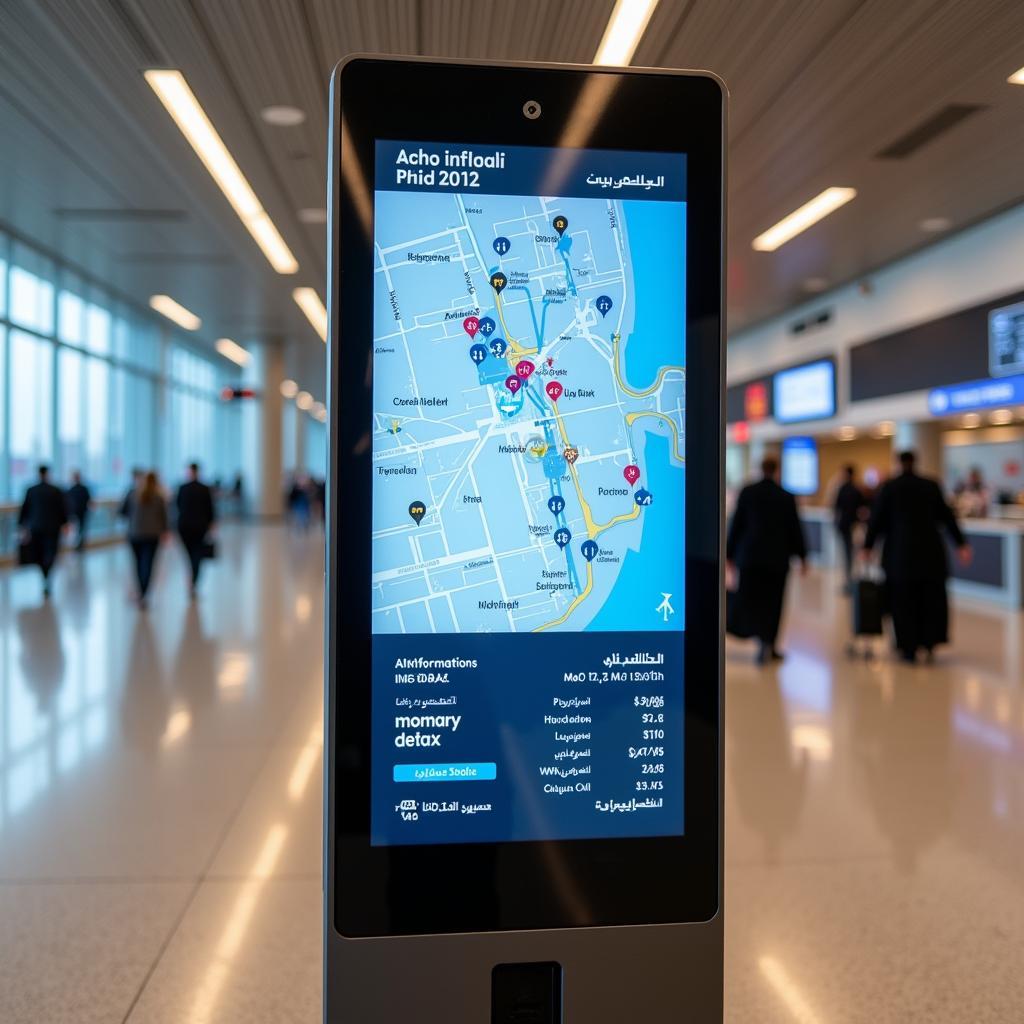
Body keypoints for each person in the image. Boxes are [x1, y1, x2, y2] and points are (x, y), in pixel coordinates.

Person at [863, 450, 971, 663]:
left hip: (899, 556)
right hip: (930, 555)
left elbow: (876, 520)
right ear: (915, 462)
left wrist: (868, 546)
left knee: (902, 602)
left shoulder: (890, 488)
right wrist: (961, 544)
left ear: (898, 463)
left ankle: (908, 647)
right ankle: (929, 643)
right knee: (930, 600)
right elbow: (947, 517)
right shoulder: (931, 486)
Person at [726, 456, 808, 664]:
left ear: (760, 469)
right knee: (774, 603)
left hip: (750, 558)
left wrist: (728, 554)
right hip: (777, 561)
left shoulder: (748, 492)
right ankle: (768, 643)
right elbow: (794, 529)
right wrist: (803, 557)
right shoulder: (786, 496)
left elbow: (737, 525)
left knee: (751, 599)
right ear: (777, 470)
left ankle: (755, 637)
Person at [18, 465, 68, 598]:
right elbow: (62, 509)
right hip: (53, 528)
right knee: (50, 553)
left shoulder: (31, 490)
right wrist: (65, 524)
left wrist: (22, 526)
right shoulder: (56, 490)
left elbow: (24, 510)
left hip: (36, 527)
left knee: (39, 553)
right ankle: (47, 574)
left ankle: (44, 574)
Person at [128, 471, 168, 607]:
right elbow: (164, 517)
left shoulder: (133, 494)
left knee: (138, 563)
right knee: (148, 563)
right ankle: (144, 592)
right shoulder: (159, 497)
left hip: (135, 534)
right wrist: (165, 532)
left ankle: (140, 591)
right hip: (152, 535)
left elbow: (122, 512)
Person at [176, 462, 216, 596]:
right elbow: (210, 509)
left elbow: (177, 507)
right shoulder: (205, 488)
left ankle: (192, 578)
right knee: (197, 554)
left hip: (185, 526)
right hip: (200, 526)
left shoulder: (182, 488)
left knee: (190, 555)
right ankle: (194, 580)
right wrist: (211, 523)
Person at [833, 464, 867, 587]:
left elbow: (836, 507)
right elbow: (863, 508)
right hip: (854, 525)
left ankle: (849, 579)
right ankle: (852, 579)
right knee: (852, 553)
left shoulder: (843, 488)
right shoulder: (857, 489)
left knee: (848, 553)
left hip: (845, 525)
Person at [65, 470, 92, 551]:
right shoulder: (79, 489)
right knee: (78, 530)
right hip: (77, 513)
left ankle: (79, 545)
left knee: (80, 529)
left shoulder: (74, 489)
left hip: (78, 512)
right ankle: (78, 545)